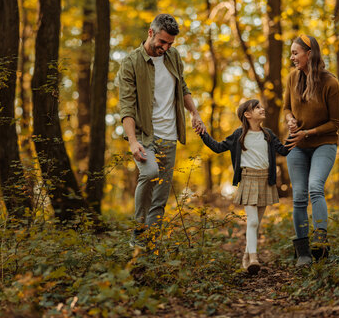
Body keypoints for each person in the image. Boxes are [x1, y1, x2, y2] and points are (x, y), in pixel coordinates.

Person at [118, 14, 206, 249]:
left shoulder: (173, 56)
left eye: (170, 44)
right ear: (150, 33)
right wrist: (132, 141)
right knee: (149, 172)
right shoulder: (131, 62)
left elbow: (183, 86)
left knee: (160, 196)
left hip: (170, 135)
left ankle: (151, 244)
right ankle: (137, 236)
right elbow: (126, 105)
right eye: (162, 42)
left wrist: (194, 113)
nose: (165, 48)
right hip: (145, 134)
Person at [199, 99, 289, 274]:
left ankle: (246, 257)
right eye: (257, 108)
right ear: (247, 115)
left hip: (265, 180)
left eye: (261, 106)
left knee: (256, 224)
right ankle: (254, 257)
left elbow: (284, 150)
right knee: (253, 221)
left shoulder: (268, 134)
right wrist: (203, 133)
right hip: (248, 179)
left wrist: (294, 133)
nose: (262, 109)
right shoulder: (238, 135)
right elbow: (217, 147)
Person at [284, 34, 339, 267]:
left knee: (315, 187)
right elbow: (287, 107)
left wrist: (307, 133)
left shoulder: (330, 83)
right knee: (298, 197)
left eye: (295, 53)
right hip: (297, 146)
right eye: (291, 53)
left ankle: (319, 241)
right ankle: (303, 253)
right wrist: (290, 120)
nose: (292, 58)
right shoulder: (292, 78)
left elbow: (336, 123)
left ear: (310, 54)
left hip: (324, 144)